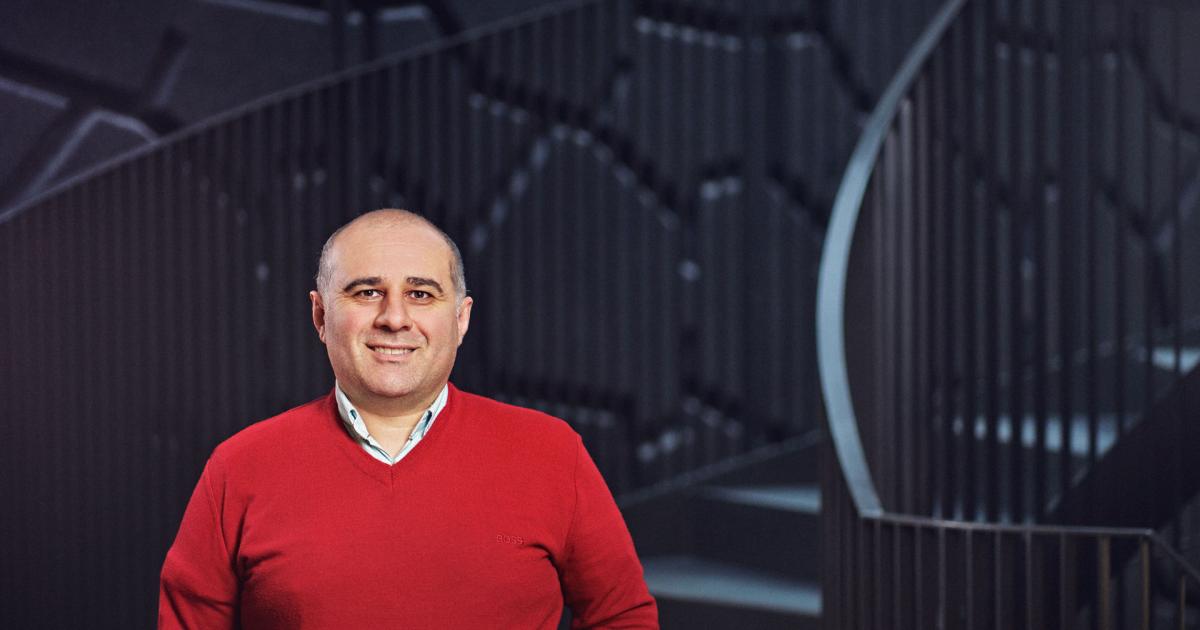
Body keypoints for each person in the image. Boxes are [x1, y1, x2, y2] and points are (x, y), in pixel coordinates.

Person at [159, 209, 658, 629]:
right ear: (320, 316)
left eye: (421, 294)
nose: (394, 318)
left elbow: (622, 617)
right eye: (366, 292)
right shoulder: (240, 467)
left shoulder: (551, 452)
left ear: (460, 318)